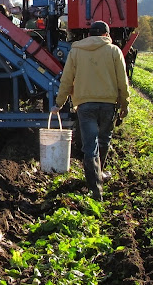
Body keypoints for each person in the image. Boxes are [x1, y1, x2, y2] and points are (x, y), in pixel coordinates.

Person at [51, 21, 129, 201]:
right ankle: (99, 176)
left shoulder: (76, 51)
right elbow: (122, 82)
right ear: (106, 35)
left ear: (89, 35)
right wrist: (124, 104)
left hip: (85, 105)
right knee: (103, 141)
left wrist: (59, 103)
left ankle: (95, 189)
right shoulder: (114, 51)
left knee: (89, 147)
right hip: (108, 104)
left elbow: (66, 80)